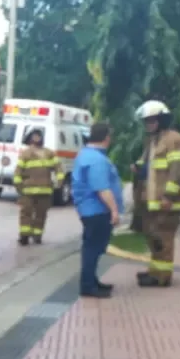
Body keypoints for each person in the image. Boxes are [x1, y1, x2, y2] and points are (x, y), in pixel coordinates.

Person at [132, 100, 180, 288]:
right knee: (154, 238)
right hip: (153, 202)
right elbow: (148, 166)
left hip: (167, 202)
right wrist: (137, 168)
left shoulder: (176, 140)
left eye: (152, 120)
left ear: (162, 119)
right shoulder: (153, 141)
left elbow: (179, 171)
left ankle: (162, 278)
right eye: (146, 121)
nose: (149, 124)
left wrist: (169, 196)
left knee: (164, 238)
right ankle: (154, 271)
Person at [71, 122, 123, 298]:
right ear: (107, 137)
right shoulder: (96, 159)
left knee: (93, 247)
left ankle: (92, 281)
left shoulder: (87, 155)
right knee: (93, 248)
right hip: (97, 210)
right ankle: (88, 285)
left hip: (90, 210)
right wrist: (114, 211)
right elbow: (102, 188)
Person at [13, 128, 64, 246]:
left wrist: (60, 180)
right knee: (26, 213)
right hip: (28, 191)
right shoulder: (26, 153)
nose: (37, 138)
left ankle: (37, 236)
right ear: (30, 138)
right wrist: (19, 186)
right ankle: (24, 236)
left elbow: (58, 167)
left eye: (38, 136)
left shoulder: (49, 153)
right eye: (34, 136)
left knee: (41, 214)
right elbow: (18, 172)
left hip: (45, 190)